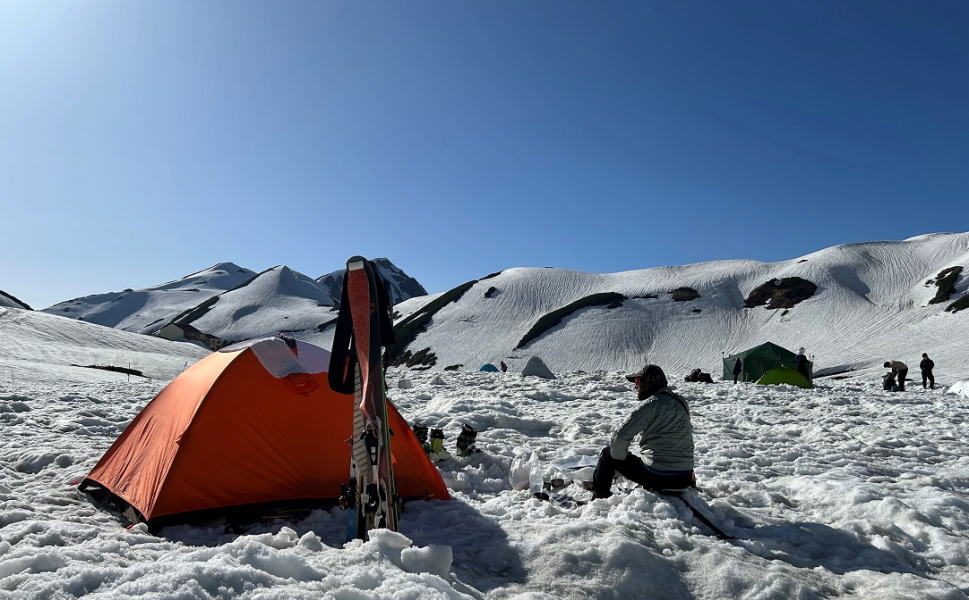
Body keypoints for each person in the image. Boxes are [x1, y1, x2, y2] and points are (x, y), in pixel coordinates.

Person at [592, 365, 695, 498]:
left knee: (607, 454)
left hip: (658, 476)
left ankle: (599, 497)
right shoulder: (680, 401)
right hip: (685, 477)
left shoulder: (651, 405)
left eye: (638, 382)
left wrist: (619, 460)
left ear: (649, 383)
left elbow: (620, 437)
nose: (636, 387)